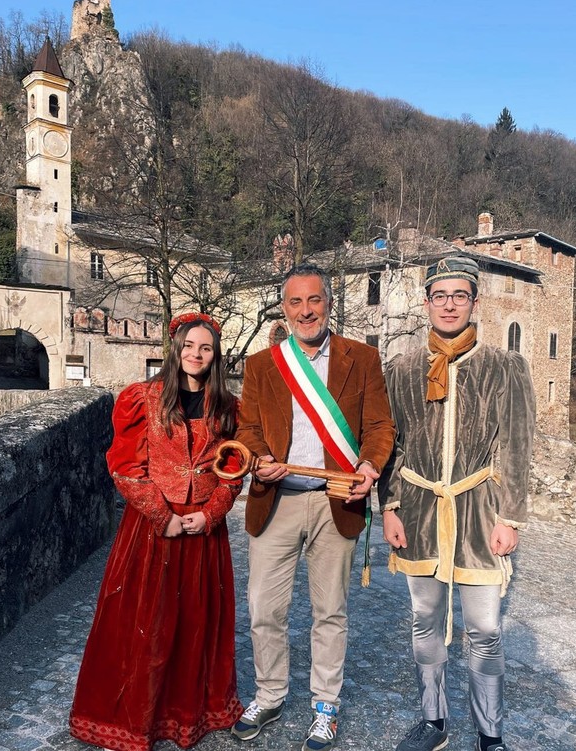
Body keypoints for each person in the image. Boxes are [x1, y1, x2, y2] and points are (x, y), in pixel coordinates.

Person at [231, 263, 395, 751]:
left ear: (329, 303)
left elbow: (380, 426)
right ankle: (271, 693)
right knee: (265, 607)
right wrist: (258, 459)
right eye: (296, 303)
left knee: (330, 612)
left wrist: (369, 468)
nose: (306, 311)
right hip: (276, 500)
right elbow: (247, 429)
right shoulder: (263, 365)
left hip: (335, 501)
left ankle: (325, 705)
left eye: (315, 300)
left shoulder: (361, 357)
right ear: (285, 309)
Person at [378, 257, 536, 751]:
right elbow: (391, 446)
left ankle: (490, 734)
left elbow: (516, 445)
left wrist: (509, 517)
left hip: (480, 510)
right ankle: (433, 723)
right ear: (426, 302)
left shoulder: (504, 367)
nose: (449, 304)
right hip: (420, 510)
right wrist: (389, 509)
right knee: (425, 620)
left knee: (484, 627)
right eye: (440, 295)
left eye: (459, 296)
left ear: (474, 302)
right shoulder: (400, 369)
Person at [69, 312, 244, 751]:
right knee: (145, 621)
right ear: (175, 349)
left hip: (203, 529)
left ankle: (186, 713)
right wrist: (160, 514)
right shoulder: (142, 399)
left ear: (216, 354)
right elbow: (125, 467)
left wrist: (212, 513)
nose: (196, 355)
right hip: (152, 529)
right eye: (188, 346)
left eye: (205, 348)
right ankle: (134, 718)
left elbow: (234, 468)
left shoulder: (228, 407)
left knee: (194, 623)